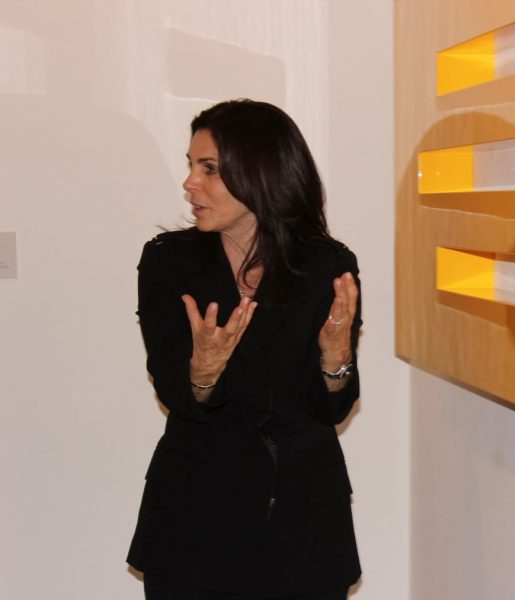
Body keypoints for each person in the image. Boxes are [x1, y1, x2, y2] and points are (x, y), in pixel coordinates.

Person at [127, 99, 362, 600]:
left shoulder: (327, 266)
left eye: (209, 168)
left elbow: (333, 409)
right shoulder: (168, 262)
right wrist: (203, 371)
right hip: (195, 522)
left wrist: (336, 357)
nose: (190, 182)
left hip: (303, 521)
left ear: (261, 173)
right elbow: (175, 392)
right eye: (191, 165)